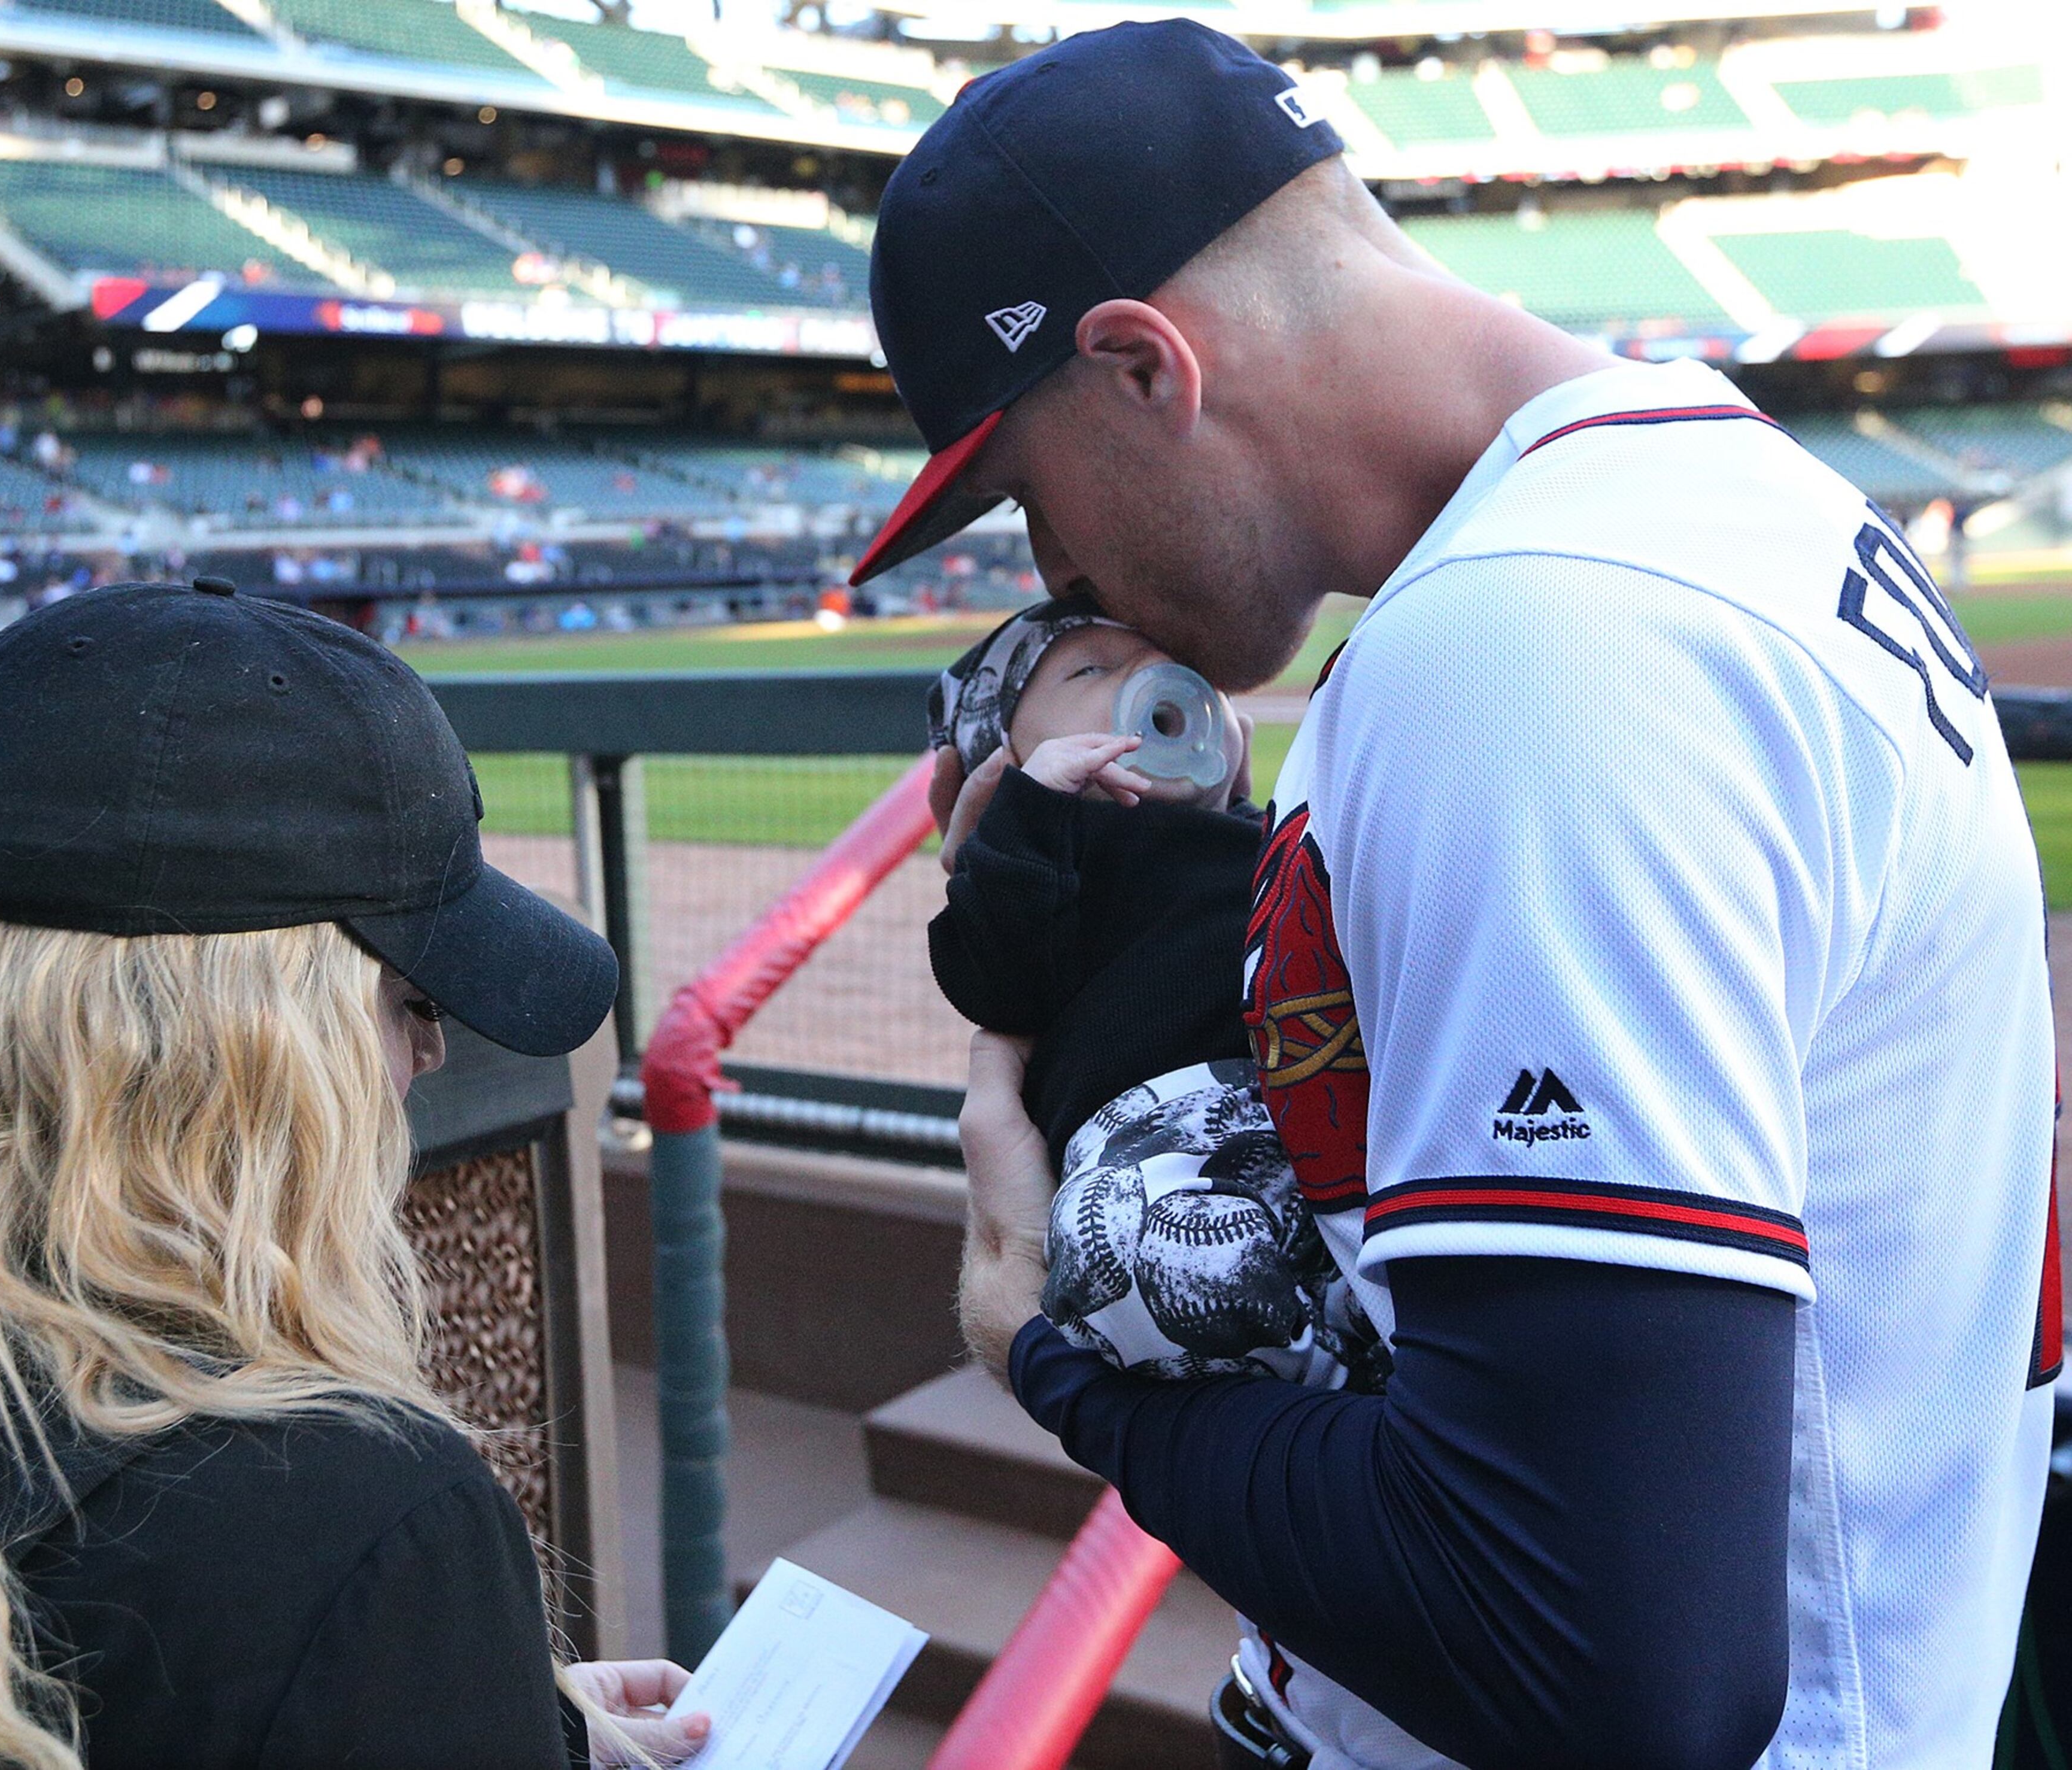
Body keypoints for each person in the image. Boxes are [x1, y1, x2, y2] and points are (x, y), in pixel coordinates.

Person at [857, 23, 2056, 1770]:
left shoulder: (1533, 635)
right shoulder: (1723, 501)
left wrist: (1049, 1341)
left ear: (1139, 366)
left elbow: (1602, 1661)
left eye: (1028, 499)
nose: (1055, 578)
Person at [0, 578, 709, 1770]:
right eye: (407, 997)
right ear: (246, 1048)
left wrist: (460, 1708)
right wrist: (411, 1671)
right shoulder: (350, 1517)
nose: (426, 1051)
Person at [927, 598, 1378, 1385]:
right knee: (1132, 1253)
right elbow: (993, 982)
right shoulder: (1042, 870)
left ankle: (1362, 1351)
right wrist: (1022, 825)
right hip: (1158, 1145)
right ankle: (1309, 1382)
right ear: (1005, 762)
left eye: (1165, 659)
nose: (1147, 676)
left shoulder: (1250, 835)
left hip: (1309, 1117)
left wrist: (1239, 807)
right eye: (1091, 668)